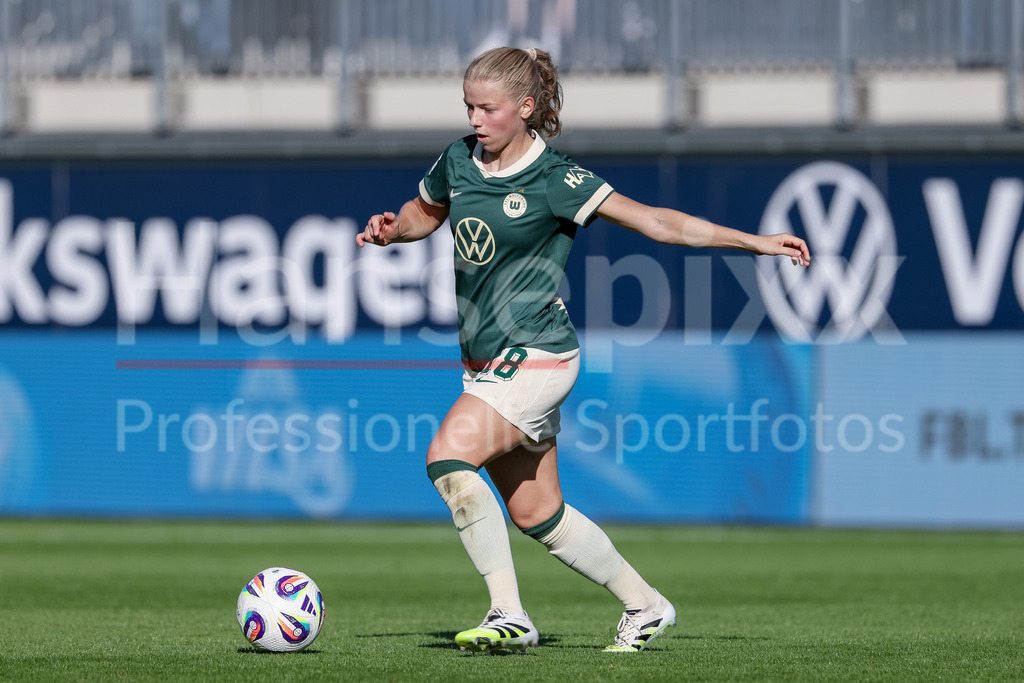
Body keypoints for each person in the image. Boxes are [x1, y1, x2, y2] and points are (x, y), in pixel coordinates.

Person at [358, 46, 810, 654]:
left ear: (525, 107)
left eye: (487, 107)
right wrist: (396, 229)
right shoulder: (458, 160)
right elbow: (426, 211)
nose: (475, 118)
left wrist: (752, 243)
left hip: (538, 353)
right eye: (468, 105)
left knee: (448, 457)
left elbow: (656, 222)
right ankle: (646, 604)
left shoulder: (556, 180)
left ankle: (508, 614)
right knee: (537, 513)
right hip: (484, 363)